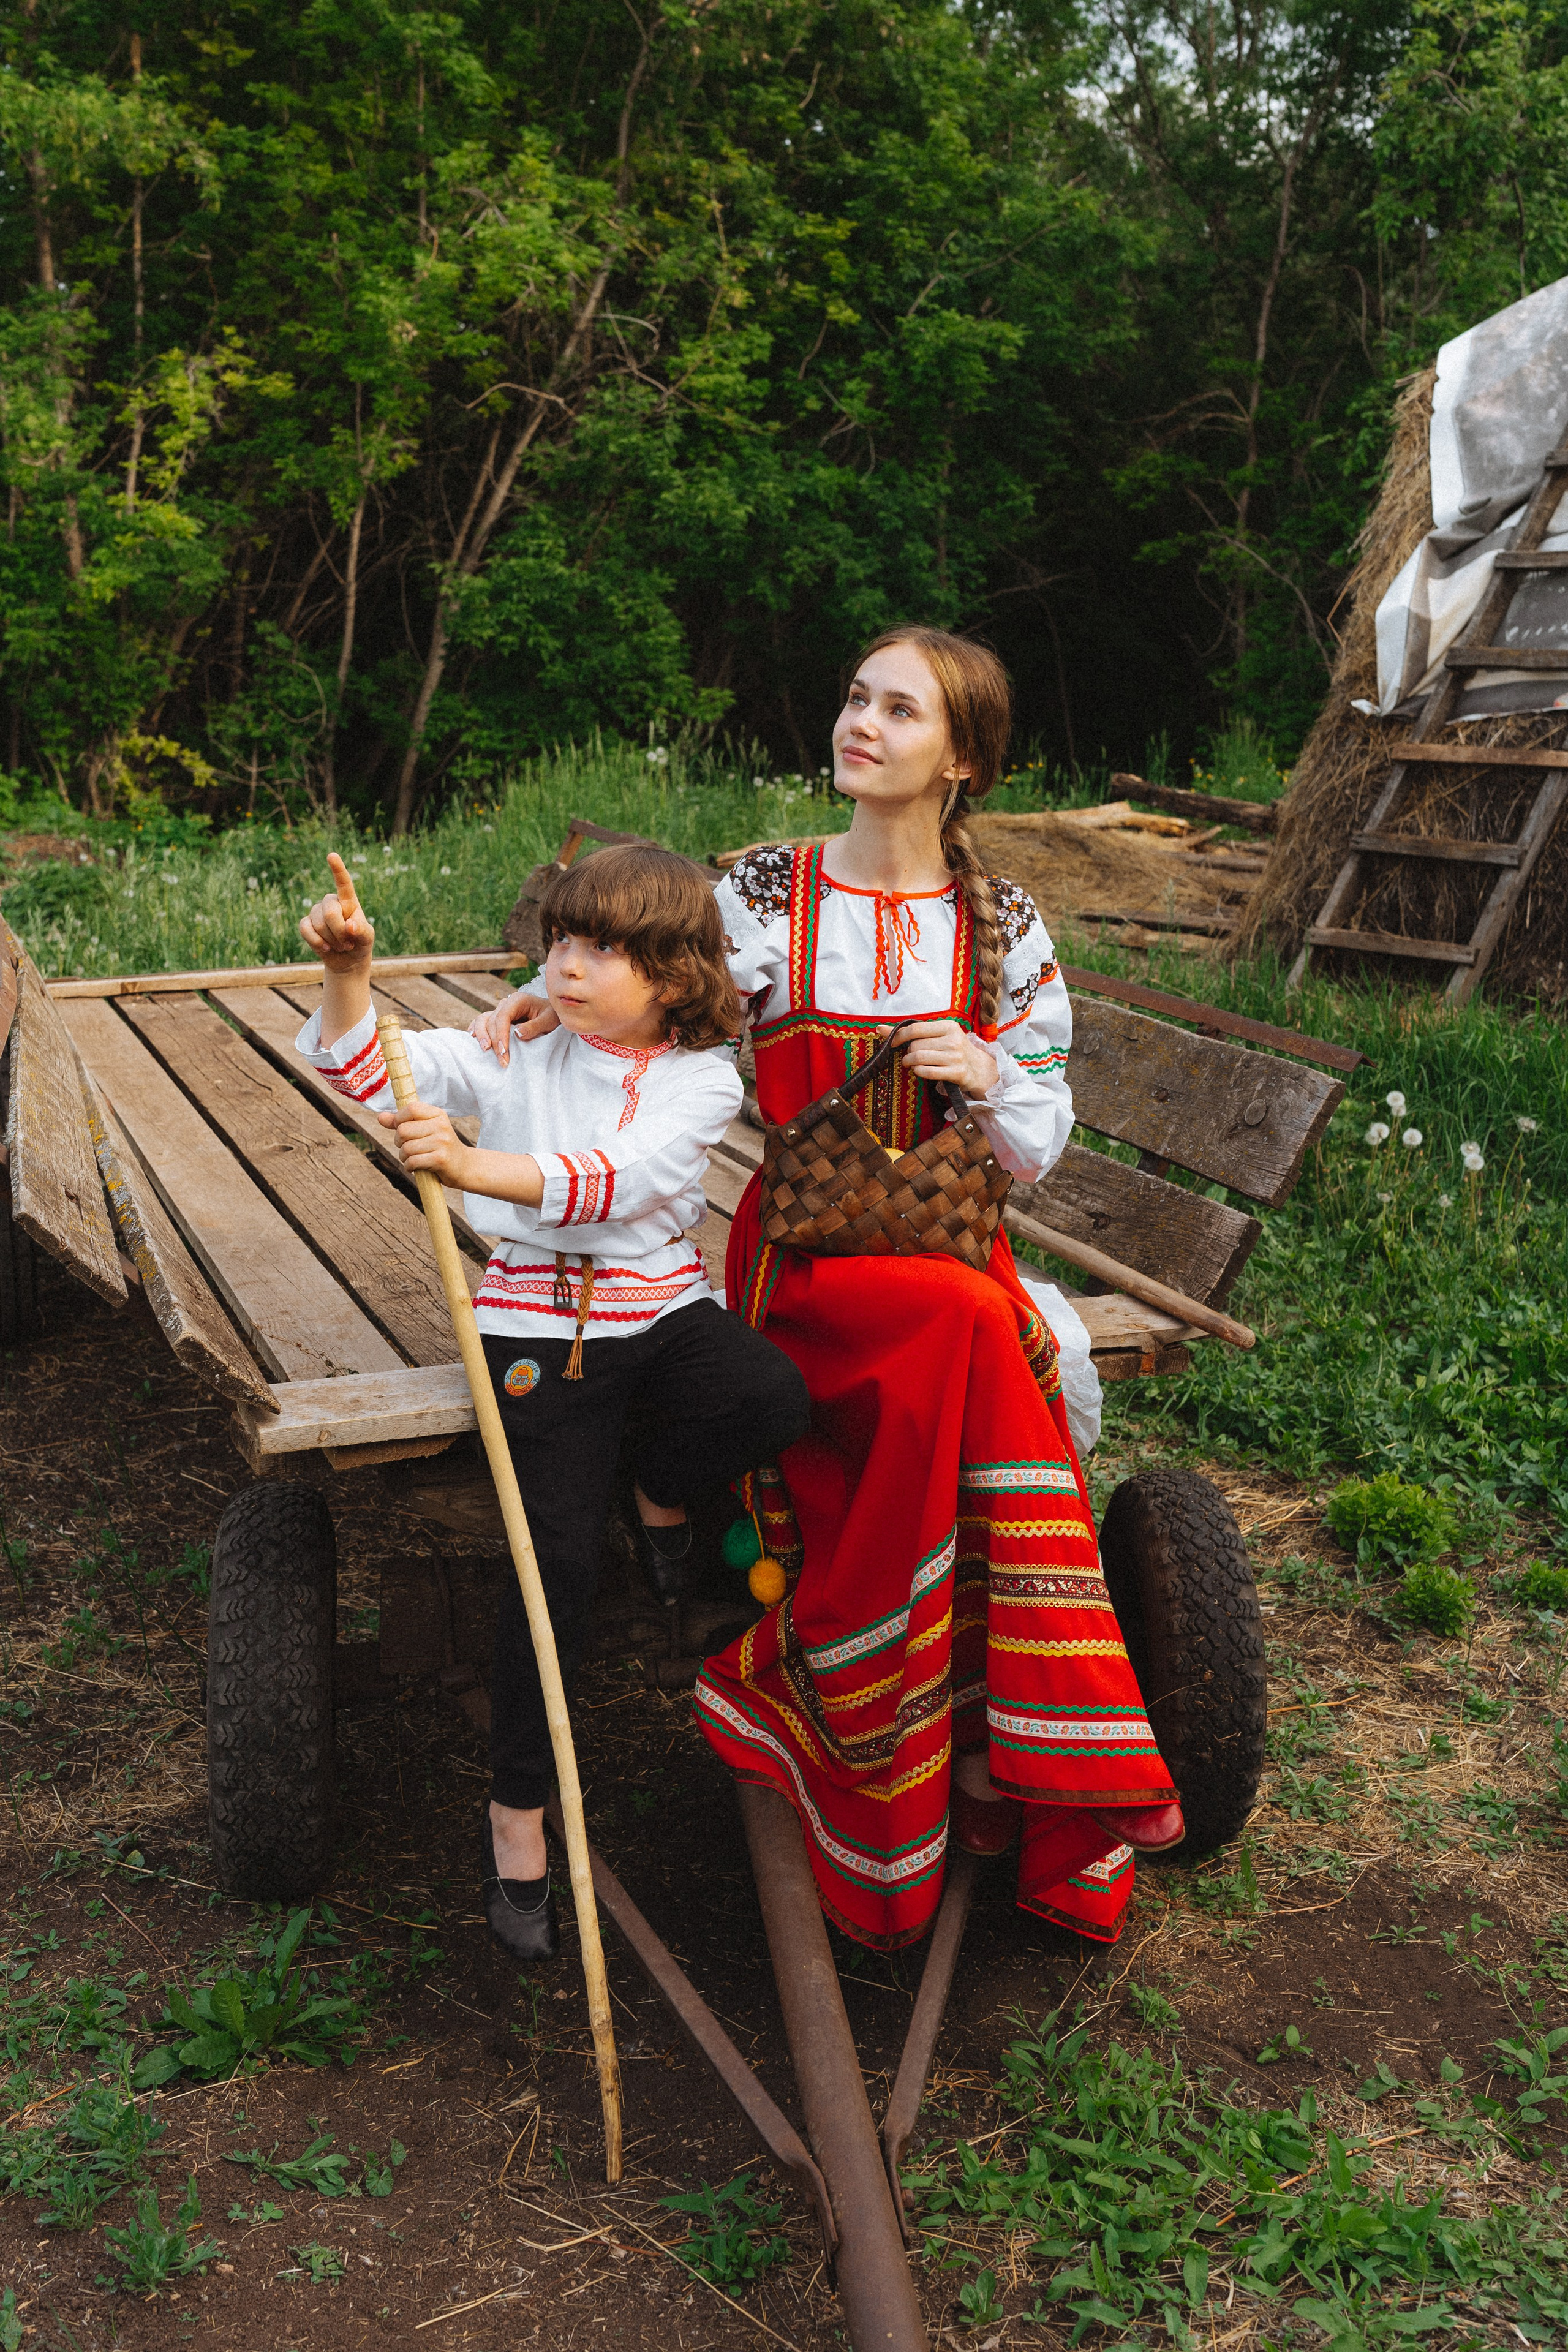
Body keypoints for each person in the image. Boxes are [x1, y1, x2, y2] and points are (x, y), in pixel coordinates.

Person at [471, 628, 1180, 1951]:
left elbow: (1035, 1142)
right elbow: (642, 991)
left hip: (950, 1251)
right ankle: (1019, 1744)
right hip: (802, 1265)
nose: (859, 722)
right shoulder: (757, 895)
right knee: (981, 1336)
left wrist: (984, 1075)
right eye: (855, 696)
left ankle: (956, 1725)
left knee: (982, 1331)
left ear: (958, 760)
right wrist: (532, 1001)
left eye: (897, 710)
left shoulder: (1000, 923)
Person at [295, 844, 809, 1962]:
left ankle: (664, 1490)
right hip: (535, 1324)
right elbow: (370, 1067)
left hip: (659, 1308)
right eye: (561, 942)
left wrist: (473, 1169)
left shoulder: (702, 1078)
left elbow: (626, 1179)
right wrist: (350, 973)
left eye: (601, 950)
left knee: (767, 1394)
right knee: (554, 1572)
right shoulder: (515, 1048)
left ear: (674, 977)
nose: (565, 966)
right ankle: (517, 1812)